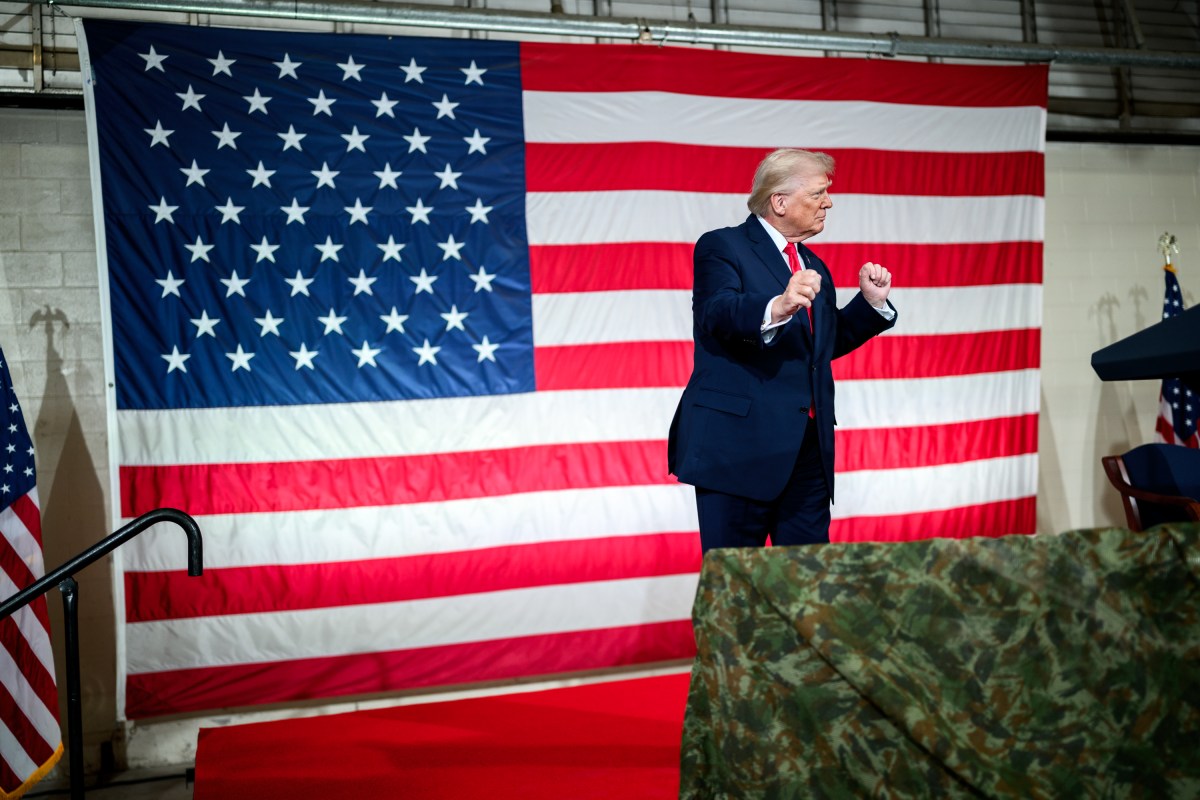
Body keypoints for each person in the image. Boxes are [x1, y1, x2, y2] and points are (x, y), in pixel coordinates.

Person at [667, 148, 897, 552]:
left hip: (807, 454)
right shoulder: (722, 246)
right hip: (737, 451)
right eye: (819, 193)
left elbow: (822, 345)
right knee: (738, 590)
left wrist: (871, 304)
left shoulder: (813, 264)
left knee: (809, 585)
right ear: (780, 201)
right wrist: (778, 305)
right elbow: (717, 313)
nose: (828, 202)